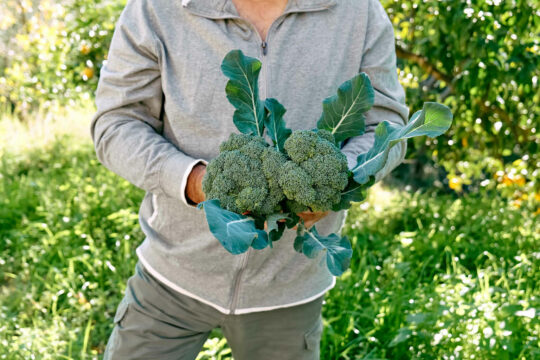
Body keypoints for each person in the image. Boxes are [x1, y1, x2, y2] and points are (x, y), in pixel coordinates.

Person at [90, 0, 409, 358]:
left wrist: (336, 180)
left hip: (288, 287)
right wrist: (194, 181)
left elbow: (387, 127)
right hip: (172, 276)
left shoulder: (358, 12)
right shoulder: (157, 9)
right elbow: (116, 125)